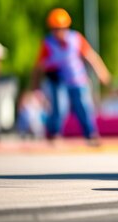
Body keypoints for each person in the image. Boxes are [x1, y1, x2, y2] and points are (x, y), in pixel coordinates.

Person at [31, 8, 111, 145]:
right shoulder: (48, 44)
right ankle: (54, 134)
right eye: (55, 29)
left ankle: (90, 134)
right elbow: (38, 67)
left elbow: (91, 56)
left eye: (61, 28)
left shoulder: (76, 39)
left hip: (77, 80)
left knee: (84, 107)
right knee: (59, 107)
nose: (58, 32)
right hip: (58, 80)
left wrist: (102, 72)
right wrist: (34, 85)